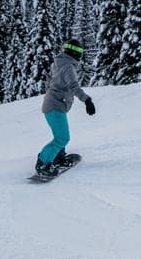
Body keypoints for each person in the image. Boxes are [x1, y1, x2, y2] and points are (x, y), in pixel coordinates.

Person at [36, 39, 96, 178]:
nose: (80, 56)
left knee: (60, 136)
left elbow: (50, 81)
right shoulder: (68, 67)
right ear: (75, 52)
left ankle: (57, 156)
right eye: (80, 52)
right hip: (55, 106)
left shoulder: (59, 63)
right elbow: (73, 86)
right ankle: (43, 163)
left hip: (53, 104)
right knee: (62, 138)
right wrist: (87, 100)